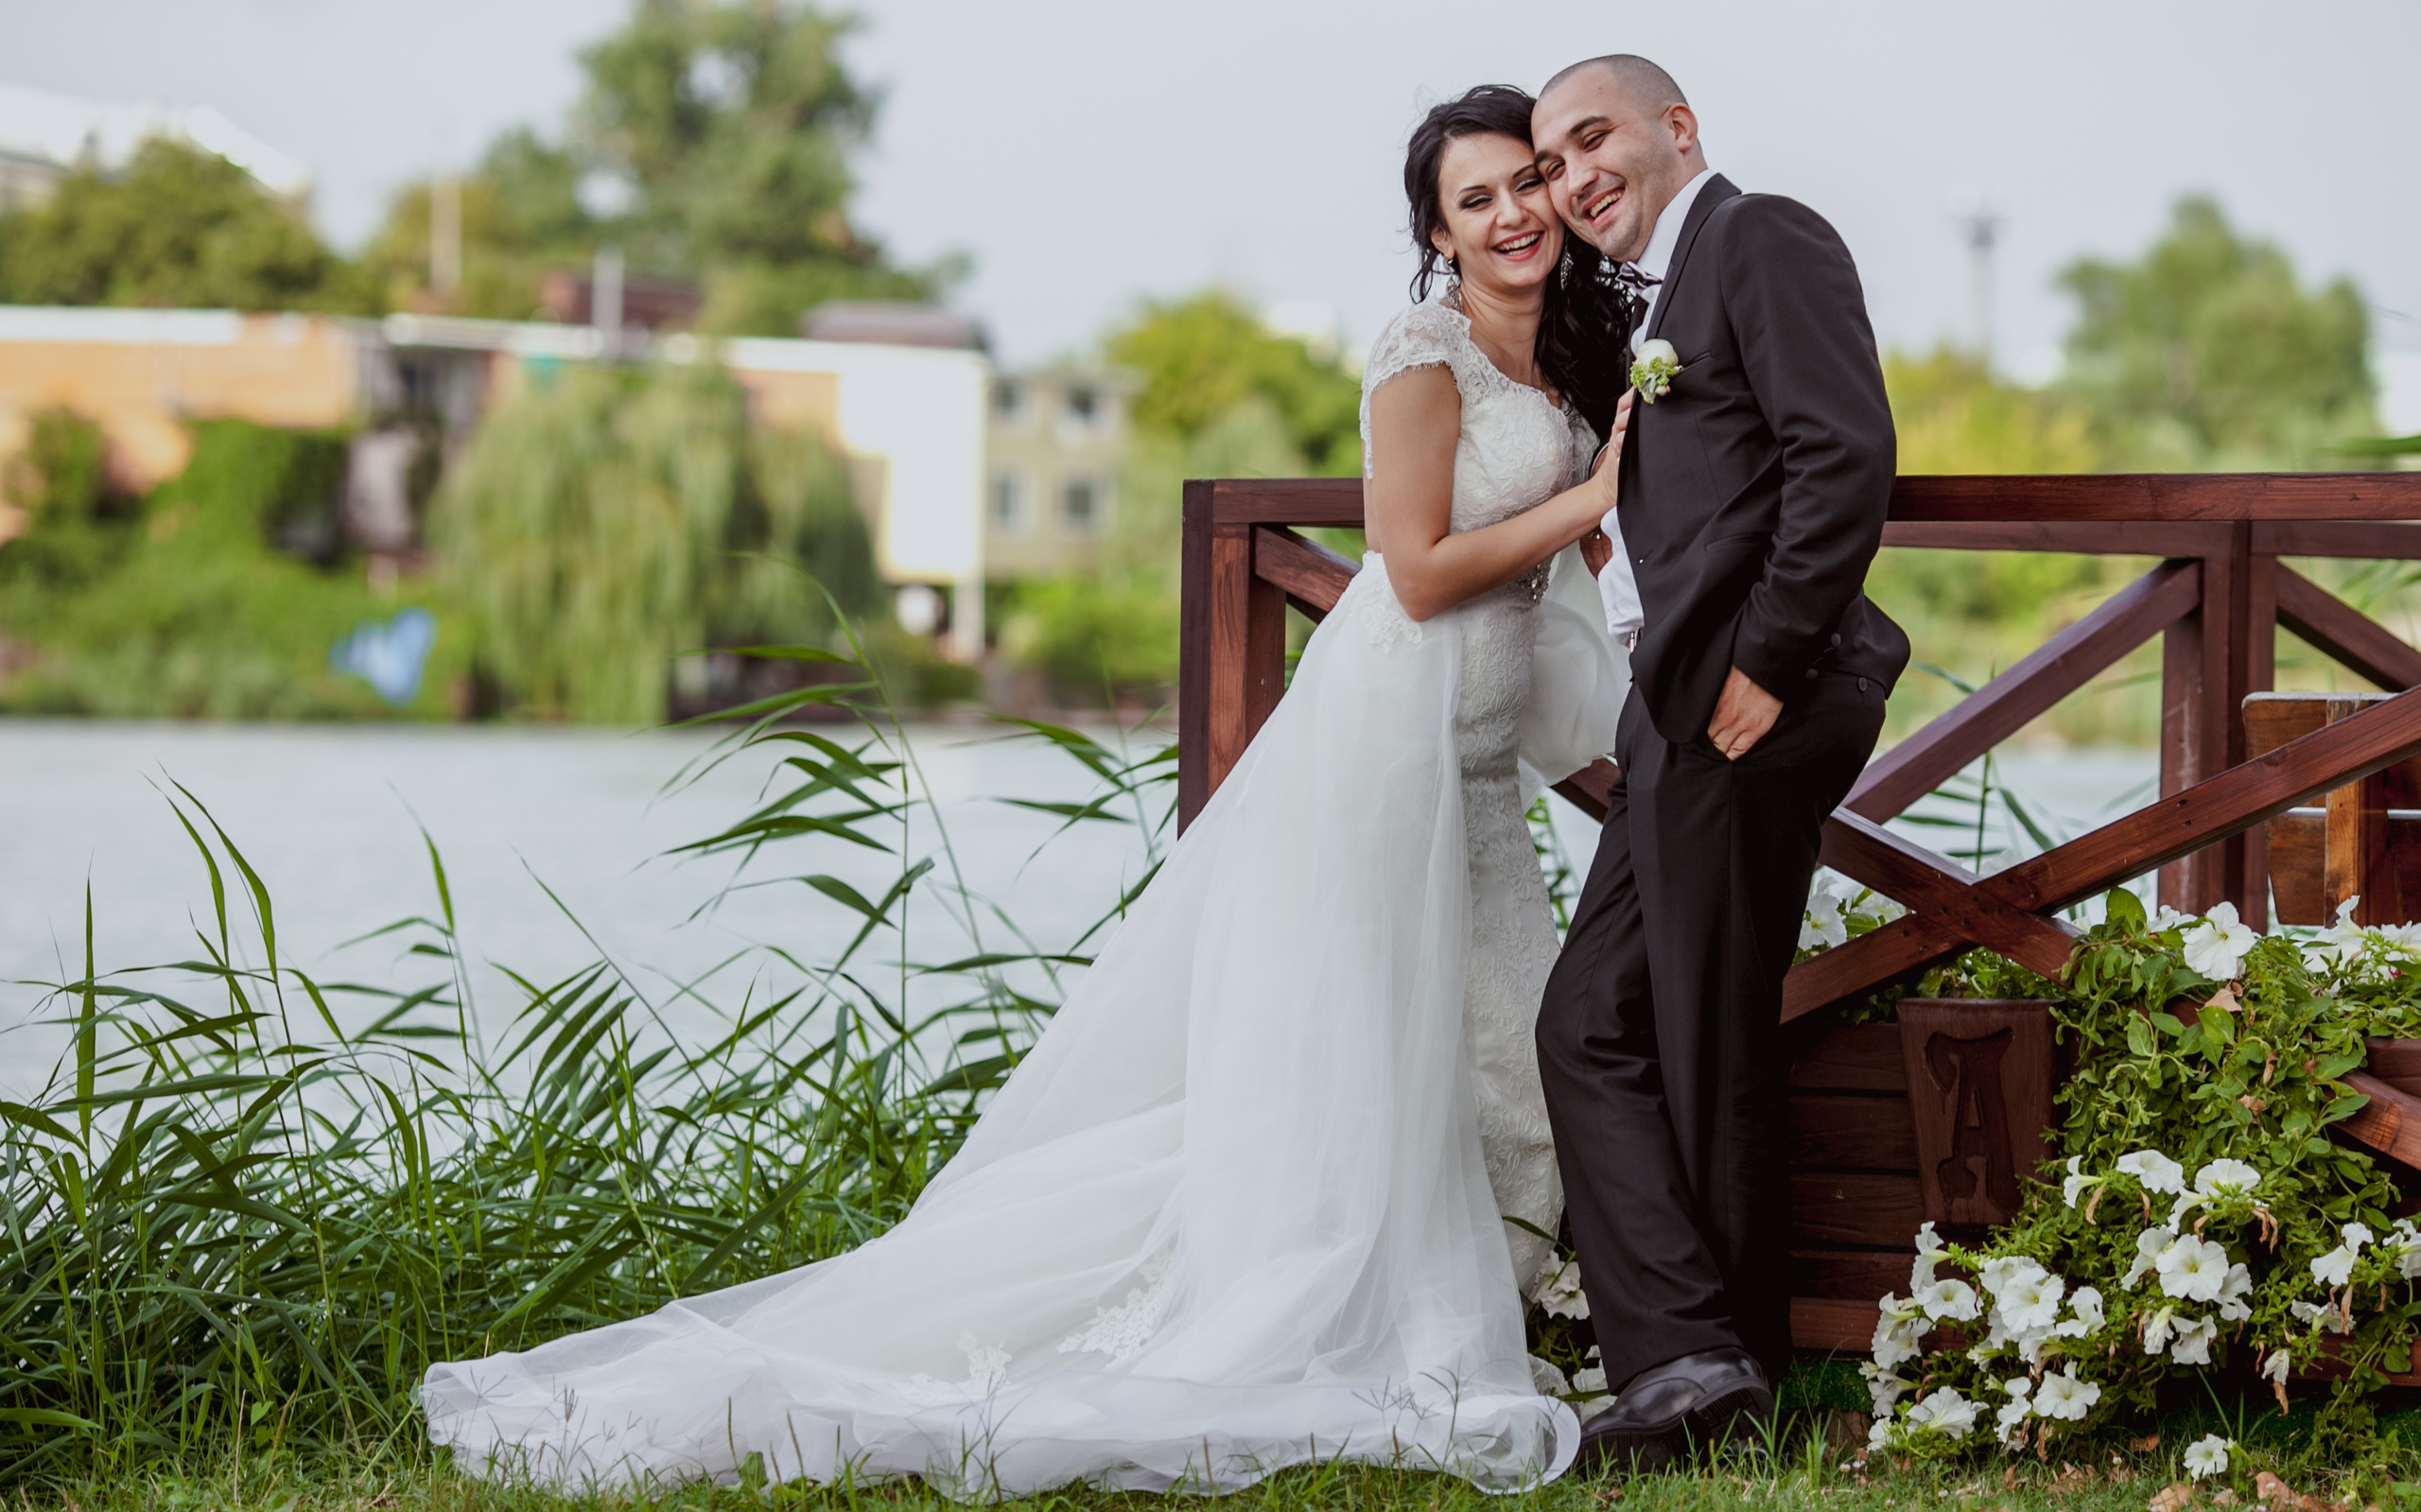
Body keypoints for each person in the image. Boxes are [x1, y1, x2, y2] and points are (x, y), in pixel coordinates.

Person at [419, 84, 1629, 1498]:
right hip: (1381, 749)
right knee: (1381, 1045)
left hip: (1473, 765)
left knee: (1501, 1038)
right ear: (1436, 229)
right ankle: (1362, 1312)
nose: (1512, 214)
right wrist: (1592, 498)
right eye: (1473, 198)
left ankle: (1494, 1305)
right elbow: (1412, 571)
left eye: (1526, 183)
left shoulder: (1560, 354)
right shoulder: (1423, 349)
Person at [1527, 55, 1910, 1473]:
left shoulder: (1761, 235)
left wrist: (1766, 663)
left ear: (1676, 129)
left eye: (1594, 138)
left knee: (1698, 1032)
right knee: (1602, 1022)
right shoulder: (1659, 304)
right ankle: (1697, 1362)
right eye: (1554, 159)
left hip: (1752, 701)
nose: (1573, 176)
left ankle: (1710, 1377)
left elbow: (1844, 454)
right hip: (1676, 716)